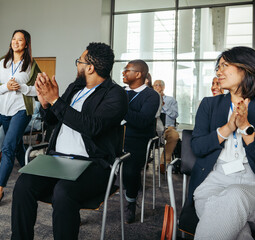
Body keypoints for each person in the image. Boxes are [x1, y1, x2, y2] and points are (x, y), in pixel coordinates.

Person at [11, 42, 128, 240]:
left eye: (79, 61)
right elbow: (52, 121)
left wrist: (57, 101)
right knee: (23, 185)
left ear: (90, 68)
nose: (77, 65)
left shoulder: (116, 94)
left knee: (63, 192)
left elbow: (92, 127)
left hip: (93, 164)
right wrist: (46, 104)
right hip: (57, 161)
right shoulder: (76, 87)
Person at [186, 46, 255, 239]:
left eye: (225, 65)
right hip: (213, 183)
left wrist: (245, 127)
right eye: (218, 67)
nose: (218, 71)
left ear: (247, 68)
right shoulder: (208, 105)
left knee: (234, 195)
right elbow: (198, 147)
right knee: (236, 230)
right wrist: (228, 128)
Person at [0, 29, 41, 207]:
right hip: (3, 110)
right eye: (13, 39)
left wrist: (22, 88)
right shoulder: (3, 62)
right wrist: (6, 87)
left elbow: (39, 89)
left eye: (20, 40)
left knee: (8, 147)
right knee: (18, 146)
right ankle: (32, 174)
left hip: (21, 110)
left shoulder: (32, 65)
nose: (15, 42)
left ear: (26, 43)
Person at [121, 60, 160, 223]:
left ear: (138, 74)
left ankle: (131, 202)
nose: (123, 73)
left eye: (126, 70)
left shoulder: (151, 95)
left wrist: (120, 110)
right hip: (114, 138)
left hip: (137, 141)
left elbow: (143, 120)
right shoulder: (121, 93)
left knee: (130, 171)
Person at [0, 100, 42, 170]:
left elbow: (40, 110)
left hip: (33, 123)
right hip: (20, 119)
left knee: (8, 131)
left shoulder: (38, 95)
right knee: (6, 129)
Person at [153, 80, 179, 174]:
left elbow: (175, 115)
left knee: (174, 136)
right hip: (154, 128)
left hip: (168, 128)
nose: (157, 87)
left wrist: (164, 106)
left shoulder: (170, 100)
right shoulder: (150, 99)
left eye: (159, 85)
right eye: (155, 85)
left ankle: (163, 163)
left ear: (163, 87)